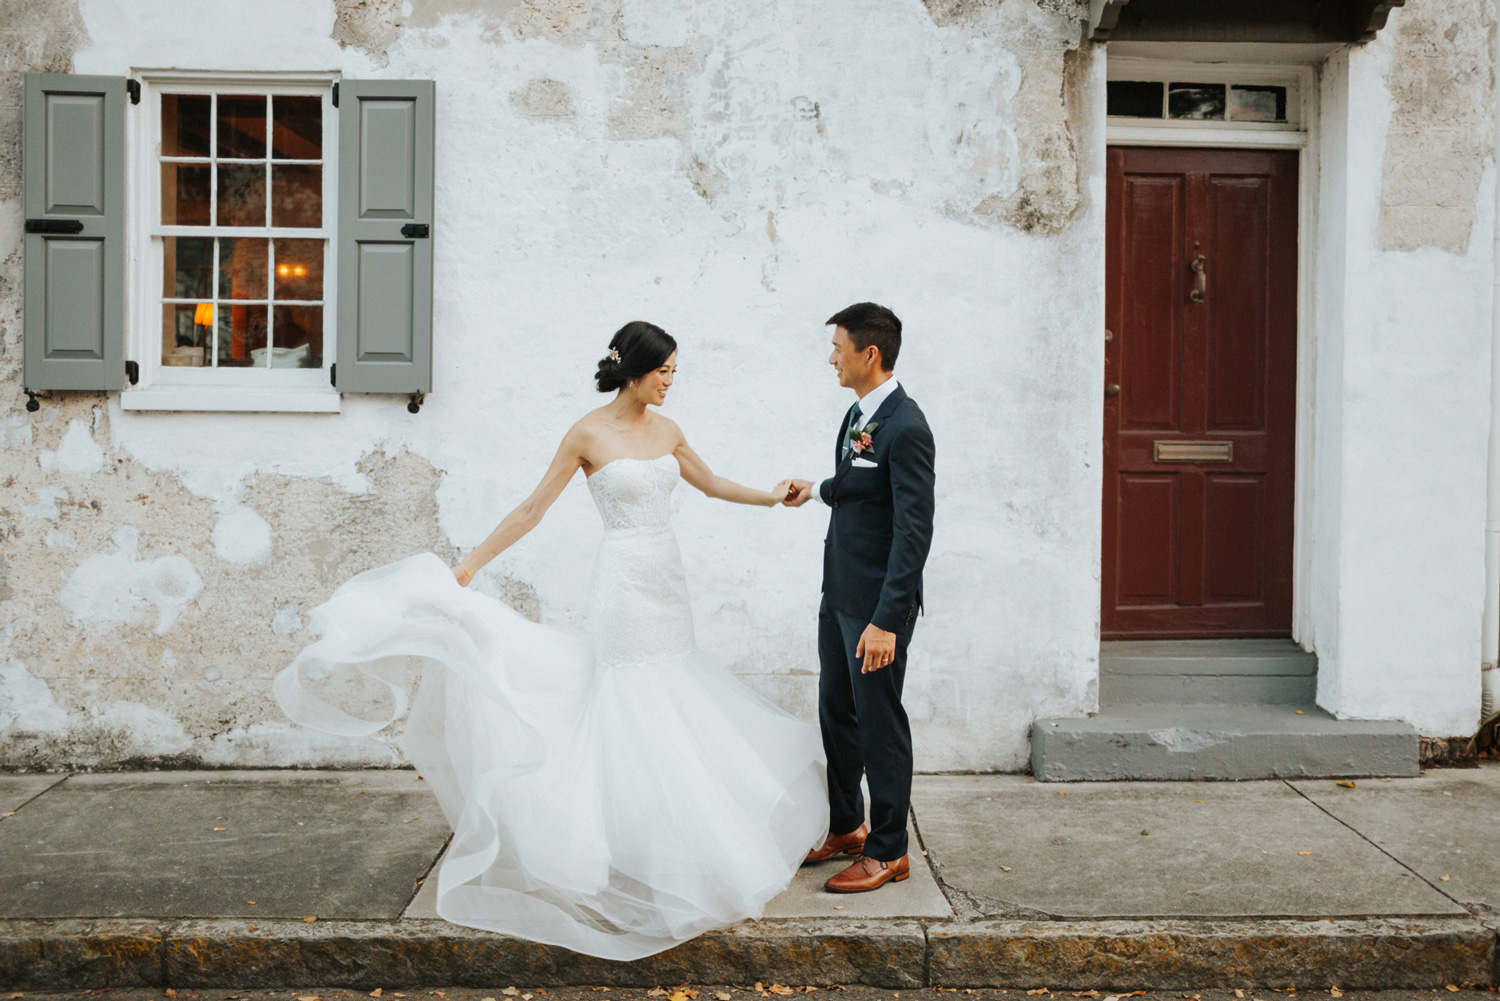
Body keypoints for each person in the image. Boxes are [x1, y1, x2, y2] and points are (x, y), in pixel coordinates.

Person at [272, 320, 828, 961]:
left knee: (675, 685)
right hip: (621, 584)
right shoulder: (588, 433)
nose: (673, 381)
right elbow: (534, 508)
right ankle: (627, 844)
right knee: (631, 692)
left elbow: (709, 483)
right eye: (665, 371)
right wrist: (470, 564)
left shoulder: (669, 431)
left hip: (664, 579)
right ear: (634, 370)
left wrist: (771, 498)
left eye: (676, 371)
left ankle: (675, 834)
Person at [785, 302, 936, 894]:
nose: (831, 359)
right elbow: (861, 485)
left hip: (876, 608)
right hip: (838, 592)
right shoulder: (859, 414)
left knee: (880, 722)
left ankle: (889, 849)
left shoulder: (908, 426)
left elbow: (913, 532)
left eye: (838, 348)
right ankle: (847, 825)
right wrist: (817, 488)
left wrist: (887, 620)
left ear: (869, 354)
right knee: (836, 712)